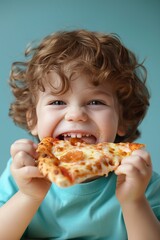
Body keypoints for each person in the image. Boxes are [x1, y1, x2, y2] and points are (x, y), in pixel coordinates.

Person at [0, 29, 160, 240]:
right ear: (33, 119)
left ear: (123, 120)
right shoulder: (22, 171)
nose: (76, 115)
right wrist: (28, 195)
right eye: (57, 102)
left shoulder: (140, 180)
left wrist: (134, 201)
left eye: (96, 102)